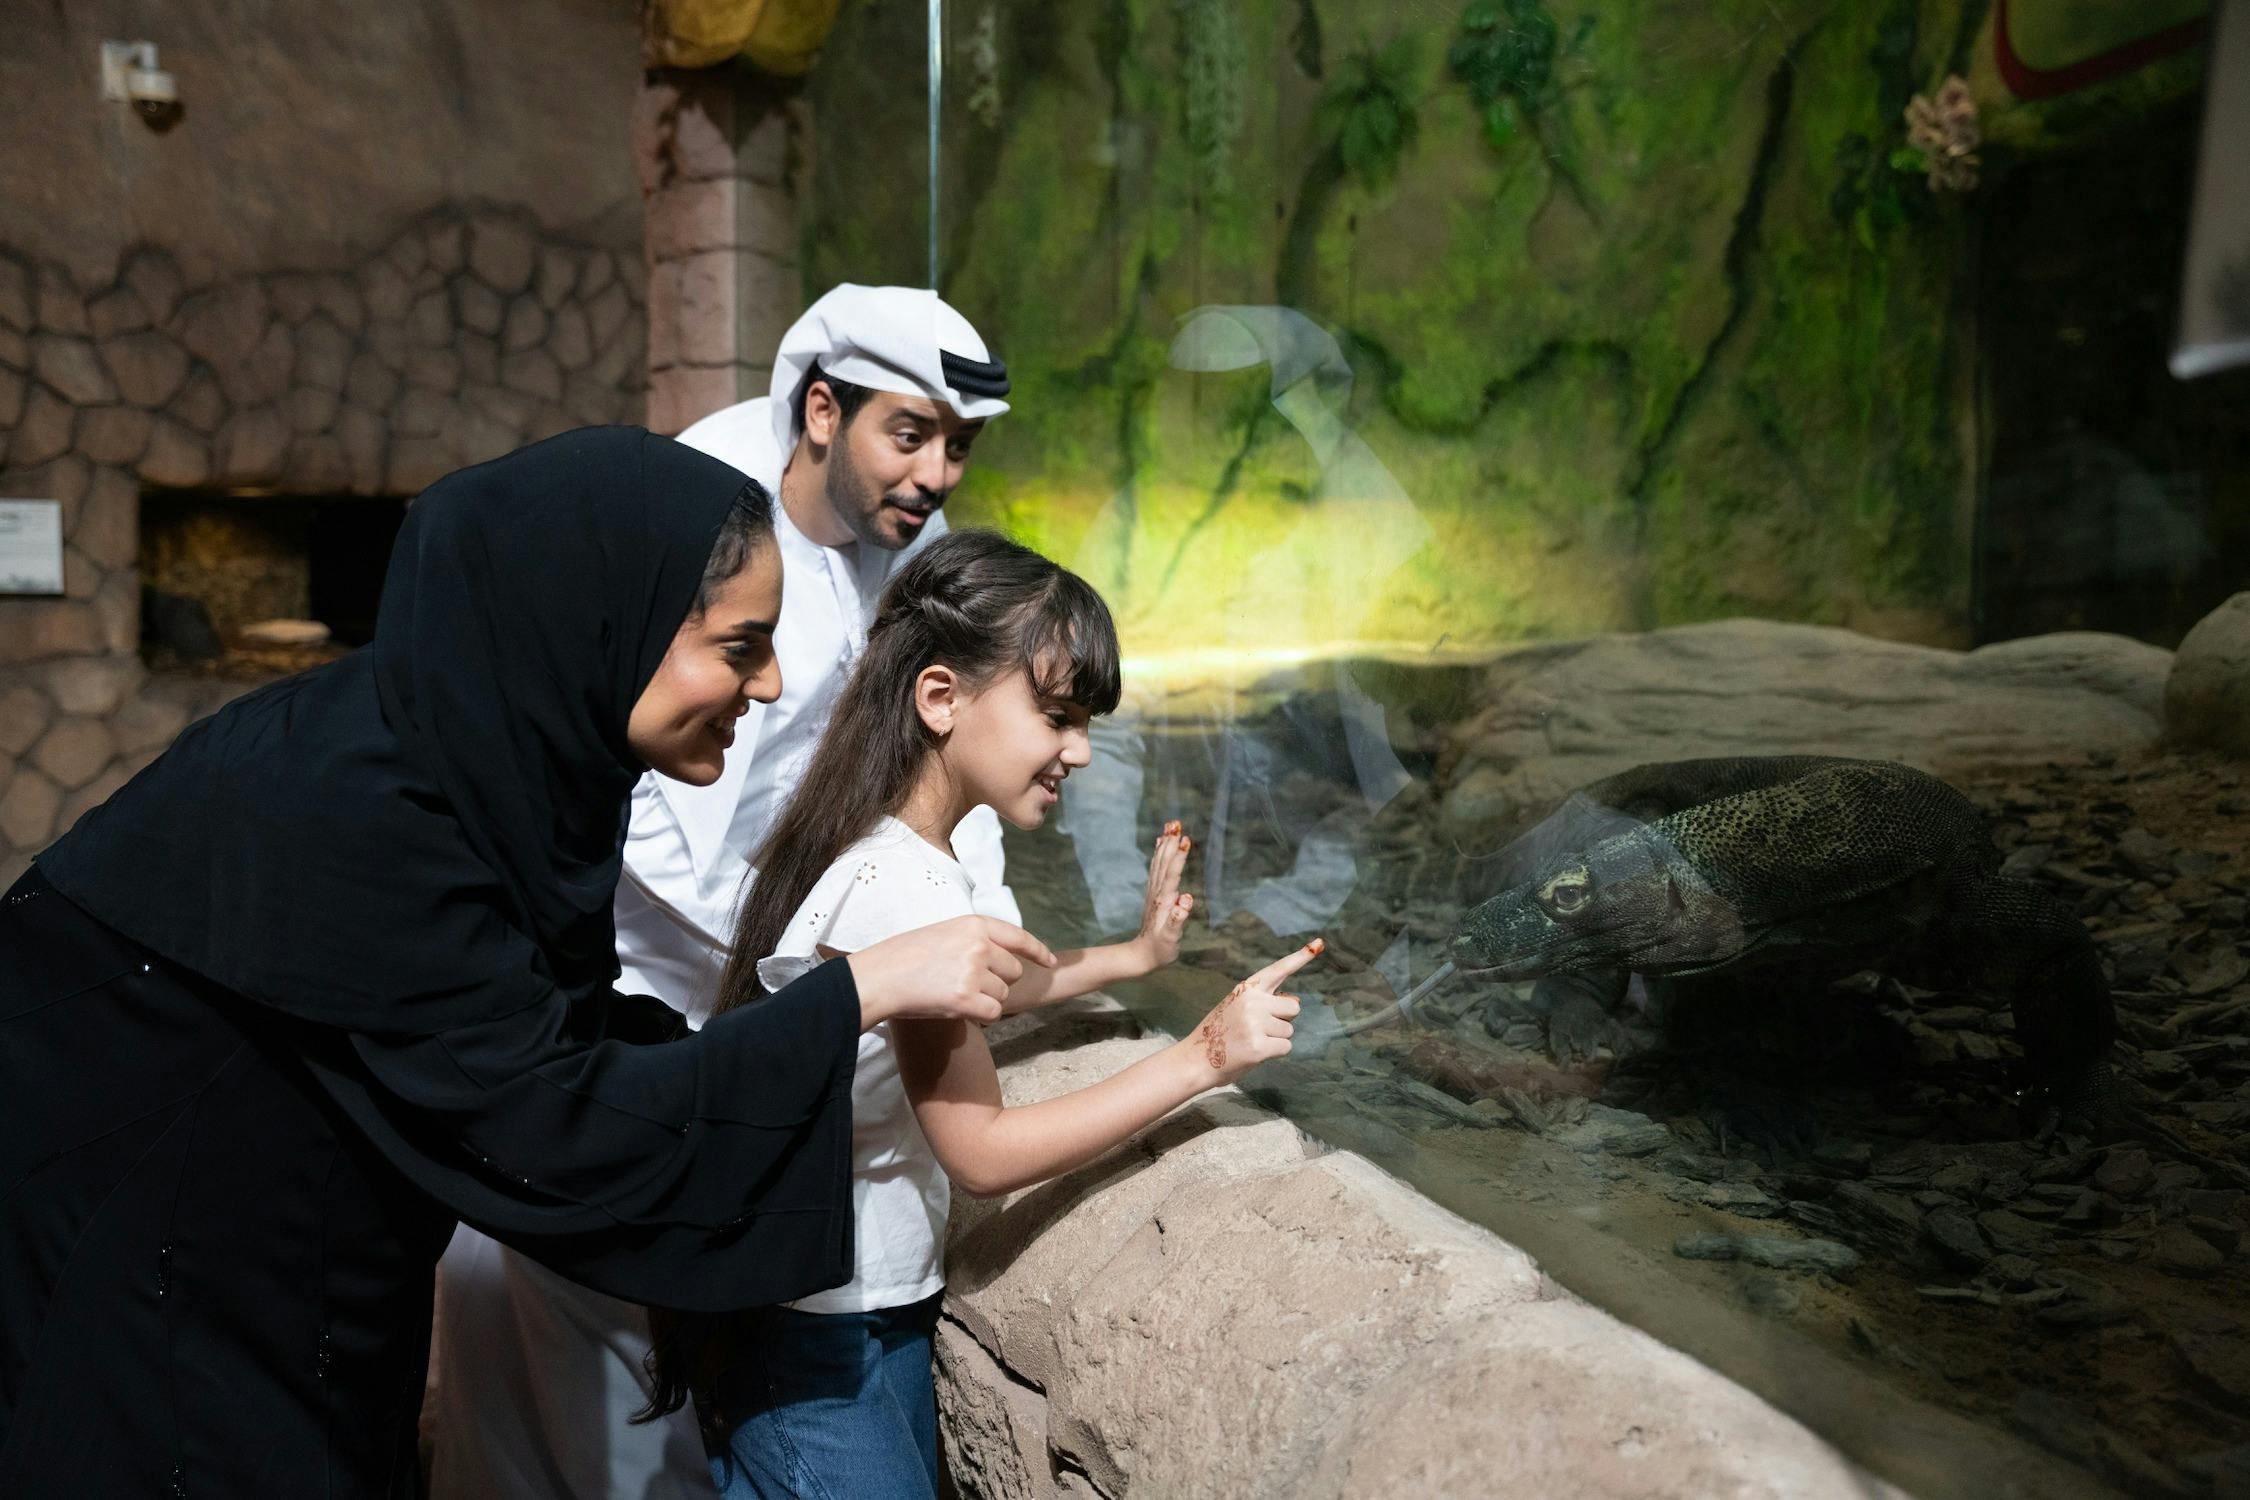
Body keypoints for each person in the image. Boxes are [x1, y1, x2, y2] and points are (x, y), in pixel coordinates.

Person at [0, 428, 1048, 1497]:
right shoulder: (356, 809)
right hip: (147, 1260)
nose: (772, 685)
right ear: (607, 621)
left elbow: (555, 1033)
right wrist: (858, 991)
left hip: (283, 1263)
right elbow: (555, 1117)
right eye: (740, 645)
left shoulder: (489, 760)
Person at [428, 285, 1022, 1499]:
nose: (937, 472)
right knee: (570, 1369)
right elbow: (647, 816)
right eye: (910, 433)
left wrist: (970, 924)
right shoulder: (711, 520)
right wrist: (803, 970)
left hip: (758, 993)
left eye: (958, 446)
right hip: (646, 992)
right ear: (820, 409)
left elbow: (921, 764)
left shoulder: (894, 551)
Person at [649, 529, 1321, 1499]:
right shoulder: (910, 887)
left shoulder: (870, 840)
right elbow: (982, 1150)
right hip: (814, 1328)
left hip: (830, 1304)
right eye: (1056, 715)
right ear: (940, 697)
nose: (1078, 751)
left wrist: (1132, 957)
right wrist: (1204, 1055)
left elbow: (968, 995)